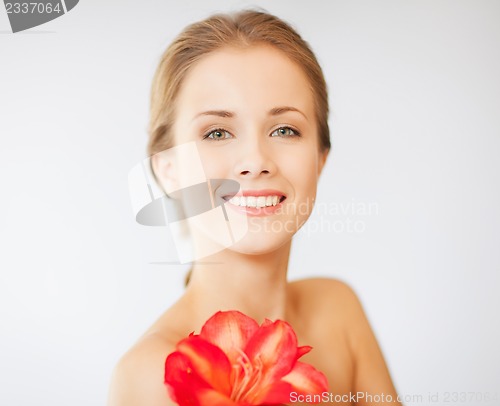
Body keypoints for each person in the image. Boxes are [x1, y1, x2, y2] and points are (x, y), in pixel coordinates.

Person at [108, 9, 401, 406]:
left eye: (285, 129)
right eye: (216, 132)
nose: (256, 159)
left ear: (320, 158)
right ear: (169, 171)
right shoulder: (149, 375)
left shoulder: (339, 309)